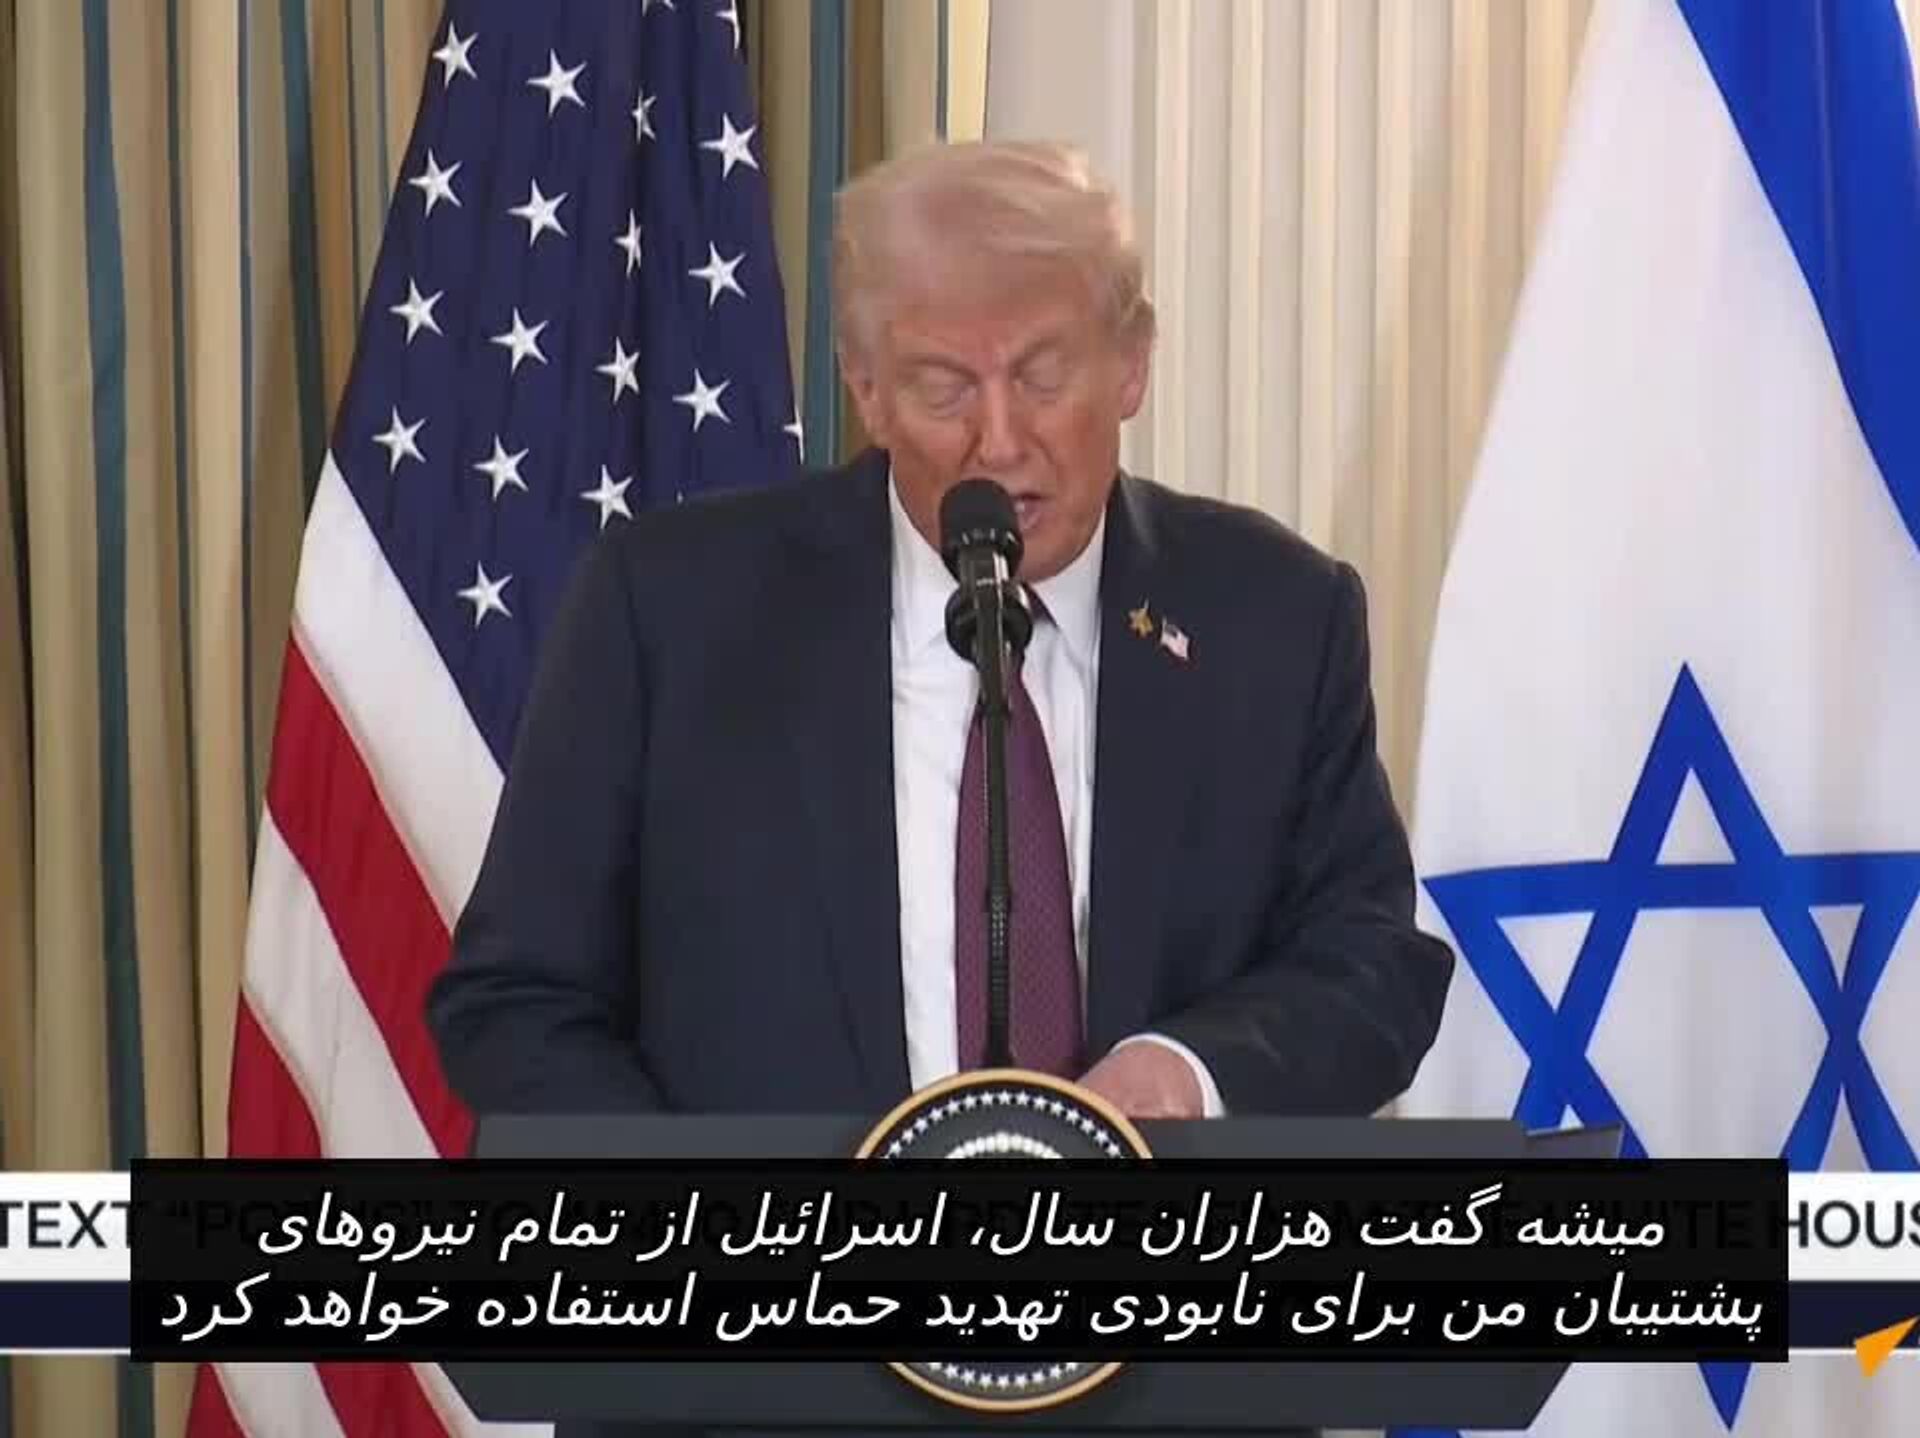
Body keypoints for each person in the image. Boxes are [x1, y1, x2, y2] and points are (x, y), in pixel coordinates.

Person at [427, 138, 1451, 1129]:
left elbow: (1371, 963)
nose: (997, 441)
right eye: (943, 389)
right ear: (867, 391)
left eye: (1043, 377)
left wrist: (1187, 1074)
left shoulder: (1273, 619)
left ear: (1132, 364)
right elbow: (517, 1001)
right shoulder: (669, 613)